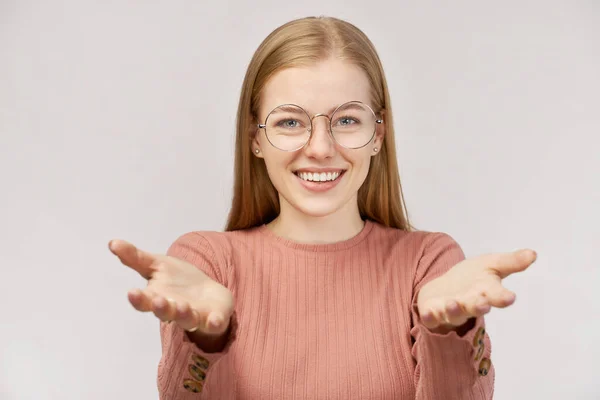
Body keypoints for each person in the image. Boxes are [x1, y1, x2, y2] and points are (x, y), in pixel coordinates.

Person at [109, 16, 537, 399]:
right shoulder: (207, 264)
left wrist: (450, 334)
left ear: (378, 135)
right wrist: (204, 341)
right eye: (289, 121)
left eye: (347, 120)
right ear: (255, 138)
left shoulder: (428, 263)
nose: (320, 148)